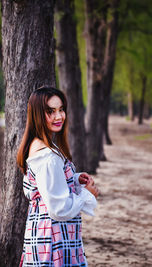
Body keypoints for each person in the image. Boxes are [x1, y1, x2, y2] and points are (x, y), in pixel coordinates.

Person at [17, 86, 99, 266]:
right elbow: (58, 208)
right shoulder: (46, 156)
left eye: (61, 109)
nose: (59, 116)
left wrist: (74, 179)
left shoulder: (41, 145)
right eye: (50, 111)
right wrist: (87, 195)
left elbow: (45, 186)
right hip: (53, 239)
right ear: (37, 114)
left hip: (48, 234)